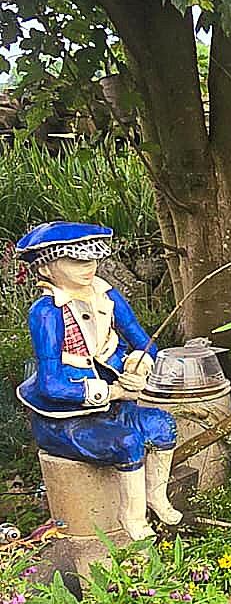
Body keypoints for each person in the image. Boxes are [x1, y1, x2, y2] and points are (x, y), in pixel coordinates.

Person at [15, 221, 181, 540]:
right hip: (66, 420)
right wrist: (111, 390)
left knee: (163, 426)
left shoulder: (107, 296)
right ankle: (132, 517)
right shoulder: (47, 313)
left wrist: (138, 365)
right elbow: (52, 384)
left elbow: (144, 342)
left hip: (114, 406)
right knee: (128, 443)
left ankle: (155, 496)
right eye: (76, 260)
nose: (88, 266)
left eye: (92, 258)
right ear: (47, 267)